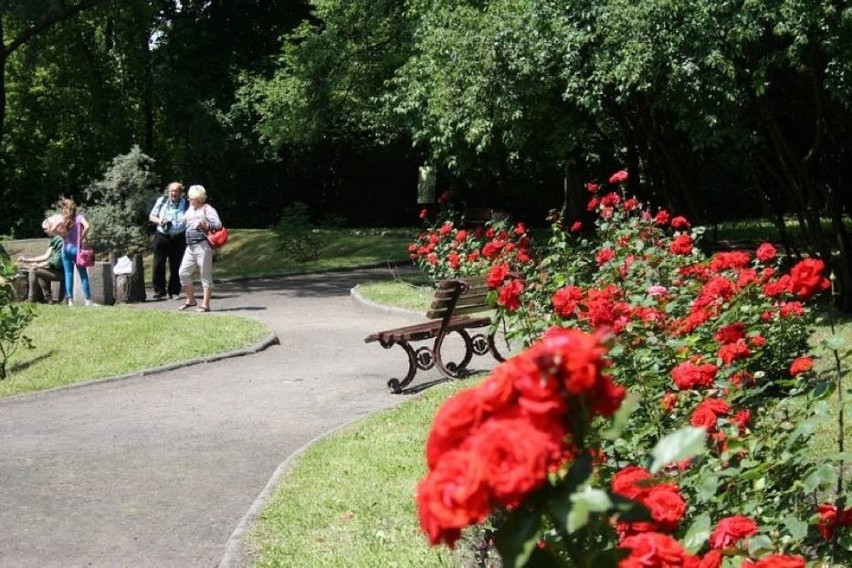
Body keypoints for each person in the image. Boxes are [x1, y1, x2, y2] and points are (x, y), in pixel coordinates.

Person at [178, 185, 222, 313]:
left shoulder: (207, 209)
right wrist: (184, 220)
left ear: (198, 198)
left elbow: (218, 224)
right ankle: (191, 300)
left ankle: (205, 305)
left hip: (203, 245)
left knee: (205, 275)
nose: (188, 199)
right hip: (190, 246)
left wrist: (205, 225)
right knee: (183, 272)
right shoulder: (191, 209)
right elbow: (184, 222)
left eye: (191, 197)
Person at [149, 181, 188, 300]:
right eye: (171, 191)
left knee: (176, 265)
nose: (173, 193)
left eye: (176, 191)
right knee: (158, 264)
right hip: (162, 235)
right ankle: (159, 290)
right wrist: (160, 221)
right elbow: (152, 216)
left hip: (179, 236)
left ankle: (174, 291)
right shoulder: (162, 201)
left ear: (180, 192)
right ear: (168, 191)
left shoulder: (186, 203)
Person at [57, 197, 97, 307]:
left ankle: (70, 301)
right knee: (83, 275)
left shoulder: (63, 219)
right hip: (77, 250)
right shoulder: (79, 218)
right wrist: (82, 237)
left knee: (68, 275)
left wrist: (62, 235)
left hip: (65, 249)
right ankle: (88, 300)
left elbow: (54, 229)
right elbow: (87, 226)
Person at [17, 215, 65, 303]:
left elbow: (54, 261)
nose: (44, 231)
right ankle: (47, 298)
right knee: (35, 269)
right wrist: (26, 260)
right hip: (54, 271)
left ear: (53, 227)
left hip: (61, 273)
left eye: (46, 229)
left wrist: (37, 265)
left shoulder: (61, 240)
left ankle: (31, 299)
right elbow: (46, 256)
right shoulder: (55, 240)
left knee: (33, 270)